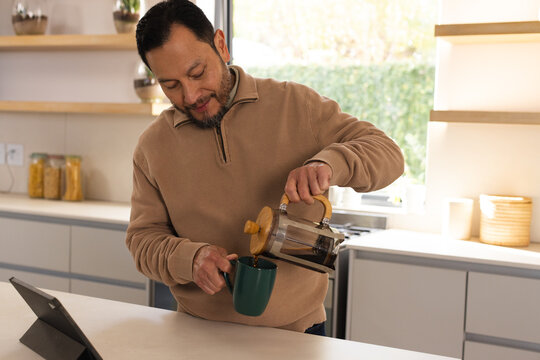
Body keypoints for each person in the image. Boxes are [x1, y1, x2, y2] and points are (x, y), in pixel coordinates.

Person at [126, 0, 404, 335]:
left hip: (298, 334)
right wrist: (189, 258)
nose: (190, 95)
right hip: (196, 333)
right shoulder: (153, 146)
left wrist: (330, 163)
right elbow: (143, 240)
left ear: (221, 45)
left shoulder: (296, 106)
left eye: (197, 73)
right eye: (170, 85)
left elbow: (388, 154)